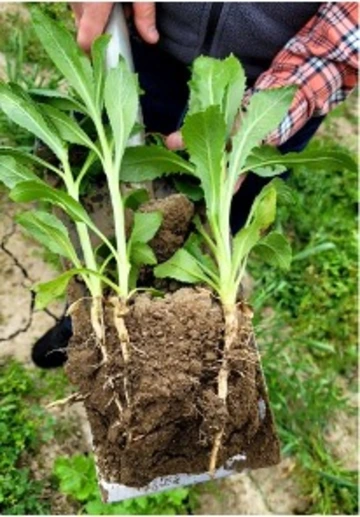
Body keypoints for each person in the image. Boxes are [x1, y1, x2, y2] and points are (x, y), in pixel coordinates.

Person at [32, 2, 358, 368]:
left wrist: (263, 120)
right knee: (109, 219)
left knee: (215, 226)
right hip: (143, 46)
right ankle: (97, 314)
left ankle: (188, 340)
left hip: (268, 87)